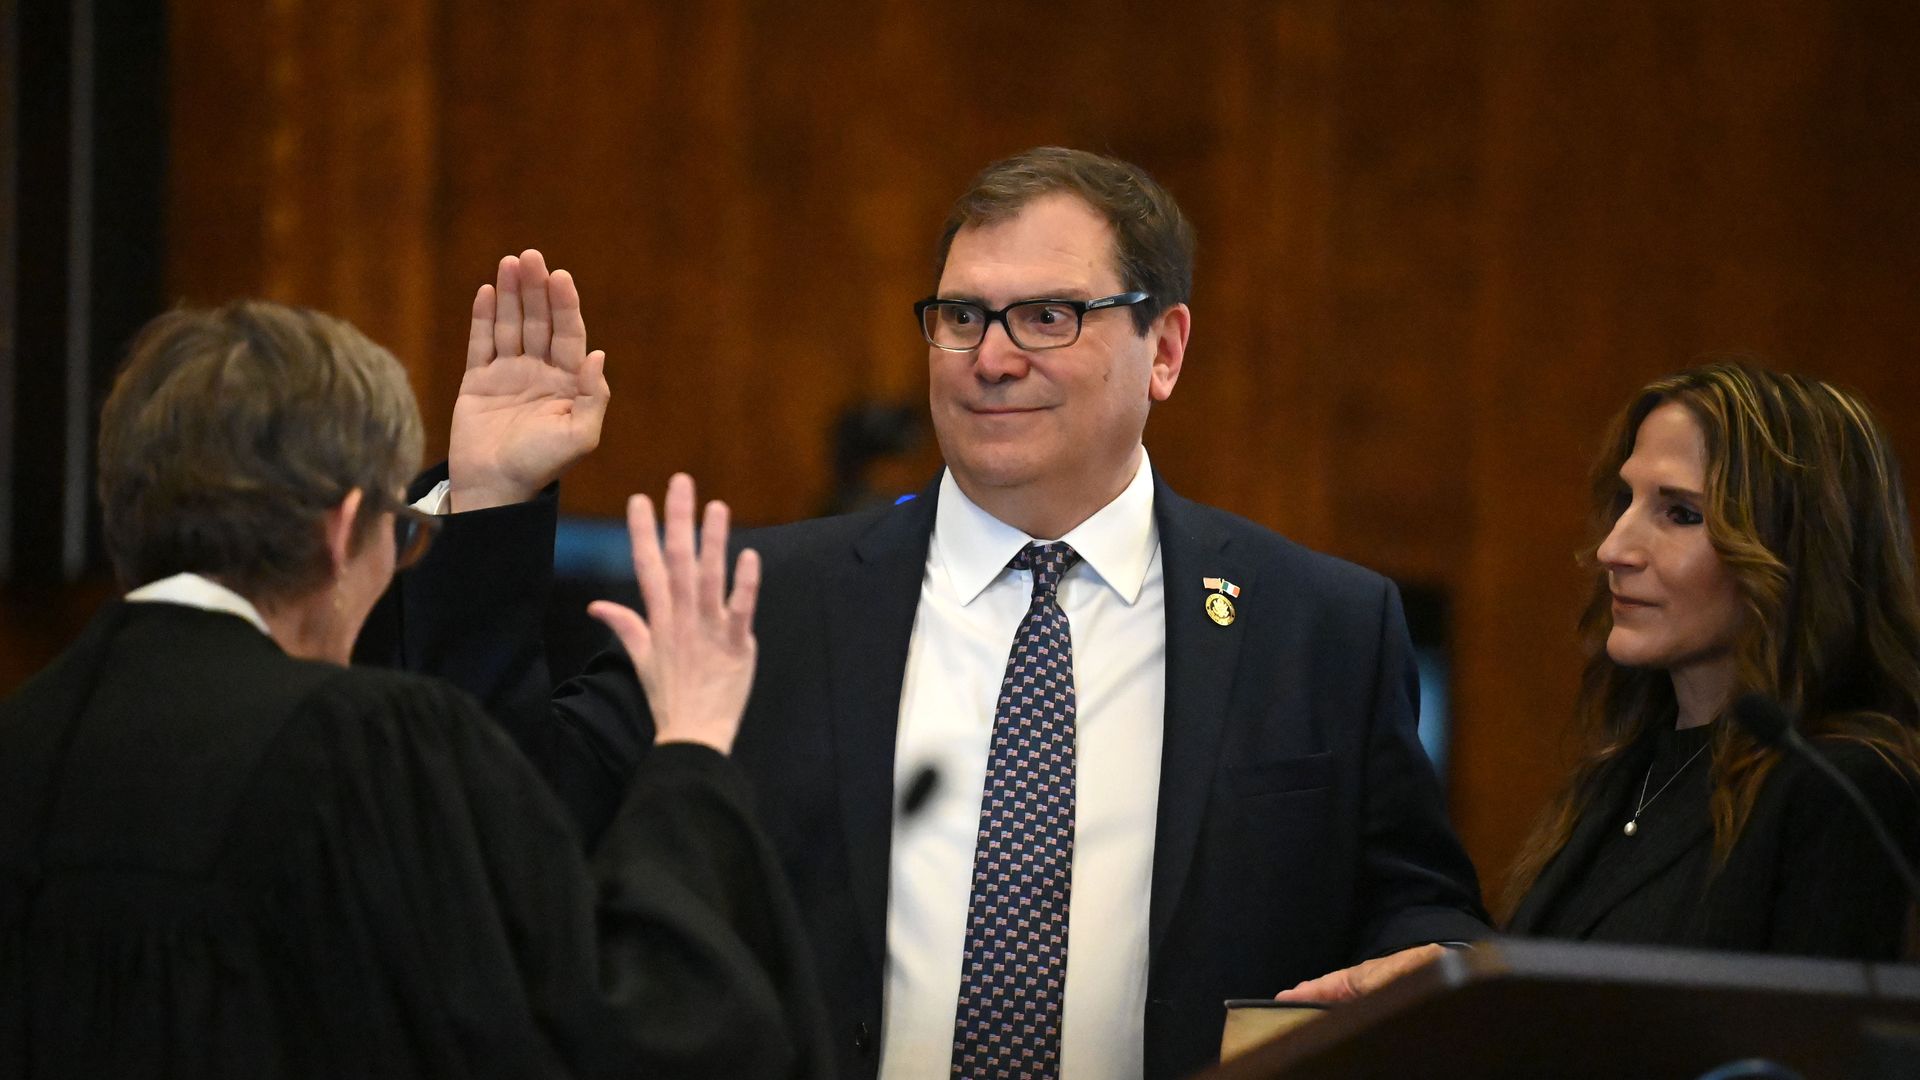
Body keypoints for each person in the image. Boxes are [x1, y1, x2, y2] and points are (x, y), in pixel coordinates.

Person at [374, 151, 1487, 1080]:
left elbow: (1416, 913)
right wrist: (492, 505)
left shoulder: (1321, 625)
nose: (992, 358)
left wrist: (1427, 961)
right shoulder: (762, 601)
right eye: (963, 316)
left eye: (1049, 315)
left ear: (1168, 349)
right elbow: (510, 819)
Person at [0, 300, 832, 1077]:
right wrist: (688, 754)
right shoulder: (365, 748)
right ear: (340, 532)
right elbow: (622, 1042)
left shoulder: (25, 739)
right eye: (398, 533)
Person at [1504, 362, 1920, 956]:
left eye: (1681, 513)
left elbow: (1802, 1044)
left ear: (1794, 548)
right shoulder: (1630, 762)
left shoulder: (1845, 787)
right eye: (1626, 498)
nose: (1612, 549)